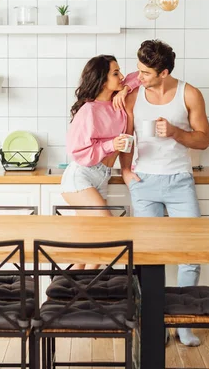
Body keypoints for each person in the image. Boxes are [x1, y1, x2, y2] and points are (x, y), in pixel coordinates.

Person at [119, 40, 209, 346]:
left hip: (179, 182)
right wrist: (126, 172)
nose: (138, 75)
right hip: (144, 183)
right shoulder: (133, 95)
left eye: (145, 72)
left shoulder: (189, 93)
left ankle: (183, 325)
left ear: (164, 72)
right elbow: (125, 137)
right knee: (147, 257)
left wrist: (175, 132)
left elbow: (202, 140)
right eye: (139, 69)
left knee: (191, 254)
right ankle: (154, 324)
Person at [61, 55, 140, 269]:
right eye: (115, 73)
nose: (122, 76)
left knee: (89, 247)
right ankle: (70, 295)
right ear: (102, 80)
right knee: (108, 234)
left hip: (101, 178)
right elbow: (77, 151)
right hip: (81, 176)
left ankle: (67, 296)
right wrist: (111, 144)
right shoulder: (89, 110)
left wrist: (124, 89)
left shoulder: (118, 103)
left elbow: (140, 76)